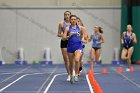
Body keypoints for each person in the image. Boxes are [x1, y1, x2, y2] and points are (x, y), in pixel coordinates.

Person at [63, 15, 87, 83]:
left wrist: (83, 40)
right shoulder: (67, 28)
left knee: (77, 60)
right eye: (72, 19)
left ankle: (76, 75)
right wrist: (68, 36)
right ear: (70, 20)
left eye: (74, 19)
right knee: (71, 64)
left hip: (78, 46)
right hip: (70, 47)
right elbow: (63, 38)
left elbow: (85, 37)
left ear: (76, 20)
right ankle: (71, 75)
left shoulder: (81, 28)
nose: (73, 20)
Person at [57, 11, 71, 81]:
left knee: (73, 59)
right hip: (64, 41)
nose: (67, 16)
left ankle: (73, 71)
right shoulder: (61, 23)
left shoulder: (73, 23)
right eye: (66, 14)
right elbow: (58, 34)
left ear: (70, 15)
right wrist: (63, 35)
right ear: (64, 15)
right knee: (66, 60)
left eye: (68, 14)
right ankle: (69, 74)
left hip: (72, 42)